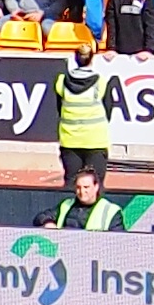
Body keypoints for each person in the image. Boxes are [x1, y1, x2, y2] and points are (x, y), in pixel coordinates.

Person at [52, 44, 114, 221]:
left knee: (72, 186)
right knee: (94, 187)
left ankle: (68, 223)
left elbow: (59, 108)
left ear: (75, 58)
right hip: (95, 140)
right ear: (92, 58)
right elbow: (109, 109)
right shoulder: (101, 82)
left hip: (69, 140)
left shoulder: (61, 81)